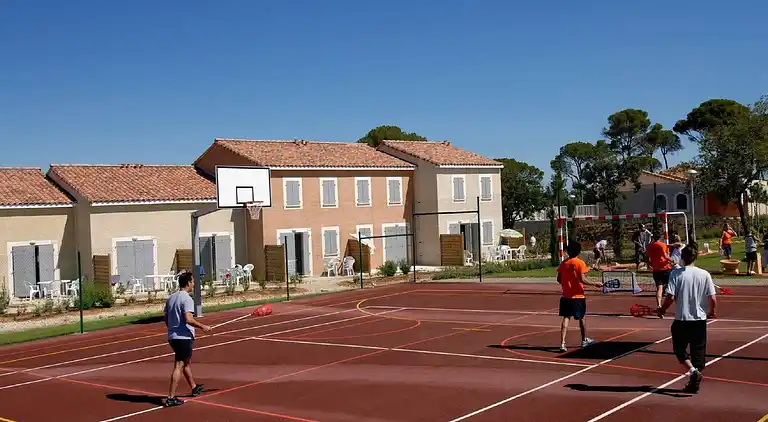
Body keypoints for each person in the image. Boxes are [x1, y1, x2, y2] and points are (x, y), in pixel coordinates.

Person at [656, 245, 717, 394]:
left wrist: (663, 309)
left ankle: (692, 371)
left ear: (682, 258)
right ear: (696, 257)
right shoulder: (704, 274)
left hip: (682, 319)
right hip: (699, 320)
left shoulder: (676, 274)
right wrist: (711, 312)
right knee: (698, 352)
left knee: (679, 350)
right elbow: (713, 298)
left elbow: (669, 296)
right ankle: (695, 373)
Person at [164, 270, 212, 407]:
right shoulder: (187, 299)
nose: (194, 284)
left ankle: (194, 387)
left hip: (173, 337)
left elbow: (166, 319)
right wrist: (203, 327)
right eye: (193, 282)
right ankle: (171, 397)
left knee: (185, 362)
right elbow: (188, 319)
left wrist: (172, 328)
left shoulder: (171, 298)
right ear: (189, 283)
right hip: (183, 337)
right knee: (179, 365)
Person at [556, 241, 604, 352]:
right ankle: (583, 340)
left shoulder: (564, 263)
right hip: (578, 296)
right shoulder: (580, 263)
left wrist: (566, 284)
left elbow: (558, 279)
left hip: (566, 296)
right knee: (581, 318)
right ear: (579, 251)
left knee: (566, 318)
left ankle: (562, 343)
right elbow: (582, 279)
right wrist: (595, 283)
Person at [645, 231, 674, 308]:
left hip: (656, 269)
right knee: (672, 286)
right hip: (665, 268)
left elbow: (647, 257)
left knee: (659, 288)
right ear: (660, 237)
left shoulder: (649, 246)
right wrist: (673, 261)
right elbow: (666, 256)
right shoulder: (663, 245)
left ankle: (659, 305)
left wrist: (649, 264)